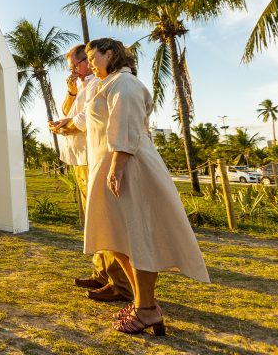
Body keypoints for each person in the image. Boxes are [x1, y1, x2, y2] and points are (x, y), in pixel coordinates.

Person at [81, 38, 209, 334]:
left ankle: (147, 307)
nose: (88, 63)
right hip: (111, 166)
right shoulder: (107, 83)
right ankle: (142, 301)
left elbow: (126, 124)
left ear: (109, 53)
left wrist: (118, 165)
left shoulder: (124, 83)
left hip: (129, 167)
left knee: (137, 237)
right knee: (118, 240)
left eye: (92, 56)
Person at [51, 45, 133, 303]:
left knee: (106, 221)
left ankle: (119, 283)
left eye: (77, 65)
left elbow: (85, 118)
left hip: (95, 156)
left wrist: (67, 127)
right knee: (94, 222)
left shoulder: (103, 82)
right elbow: (70, 111)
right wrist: (71, 91)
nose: (74, 70)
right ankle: (102, 272)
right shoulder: (83, 85)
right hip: (81, 158)